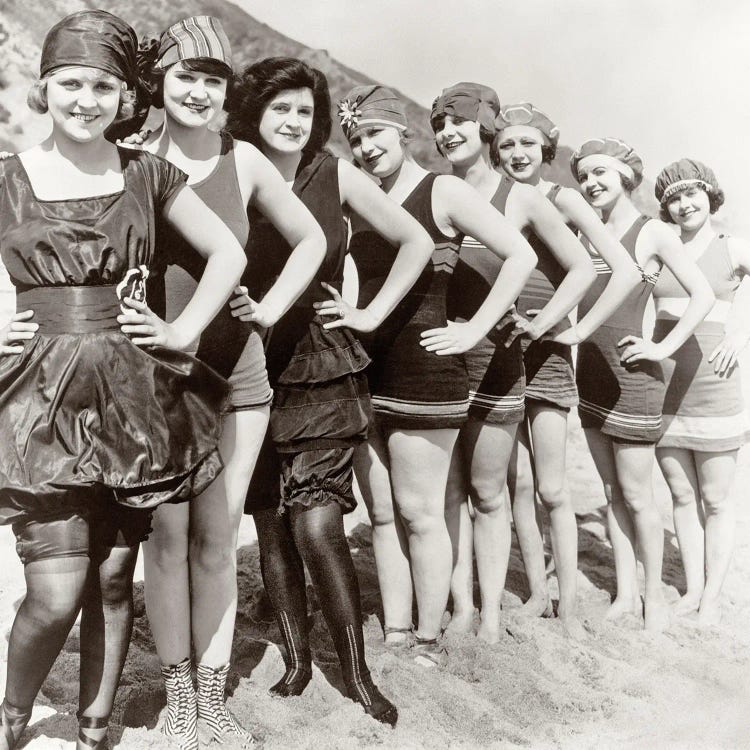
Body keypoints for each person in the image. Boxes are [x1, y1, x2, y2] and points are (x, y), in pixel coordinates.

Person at [0, 10, 249, 749]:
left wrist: (182, 331)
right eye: (70, 83)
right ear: (44, 88)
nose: (86, 100)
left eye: (102, 86)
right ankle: (12, 719)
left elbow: (229, 252)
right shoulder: (8, 178)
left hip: (132, 400)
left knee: (113, 578)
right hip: (38, 400)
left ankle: (96, 728)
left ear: (122, 94)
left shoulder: (148, 171)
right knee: (52, 590)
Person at [130, 19, 326, 749]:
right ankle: (179, 696)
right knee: (167, 538)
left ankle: (213, 701)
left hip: (237, 375)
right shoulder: (131, 157)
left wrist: (270, 309)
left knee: (217, 540)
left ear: (225, 89)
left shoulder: (242, 160)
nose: (198, 90)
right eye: (185, 75)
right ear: (160, 82)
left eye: (212, 79)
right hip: (154, 380)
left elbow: (310, 239)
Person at [226, 59, 433, 724]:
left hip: (319, 364)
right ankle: (295, 660)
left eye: (305, 113)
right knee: (270, 524)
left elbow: (415, 241)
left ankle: (357, 674)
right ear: (254, 112)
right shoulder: (231, 169)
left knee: (317, 524)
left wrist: (368, 315)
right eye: (280, 109)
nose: (292, 123)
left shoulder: (333, 173)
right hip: (245, 362)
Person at [336, 84, 537, 659]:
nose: (366, 147)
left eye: (376, 133)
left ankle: (427, 637)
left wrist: (474, 331)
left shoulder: (441, 190)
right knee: (380, 513)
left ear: (403, 134)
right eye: (356, 139)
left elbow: (519, 257)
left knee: (422, 511)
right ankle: (397, 631)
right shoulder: (359, 200)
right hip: (367, 369)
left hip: (426, 371)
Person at [429, 85, 595, 640]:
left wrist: (542, 324)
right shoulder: (436, 191)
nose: (449, 133)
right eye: (440, 124)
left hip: (498, 359)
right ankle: (462, 608)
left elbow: (582, 268)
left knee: (491, 491)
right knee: (448, 492)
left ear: (486, 131)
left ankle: (494, 617)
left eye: (460, 122)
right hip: (439, 363)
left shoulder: (520, 198)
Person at [491, 102, 642, 628]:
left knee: (552, 487)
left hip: (549, 355)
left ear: (546, 151)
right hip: (499, 352)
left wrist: (573, 329)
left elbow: (624, 269)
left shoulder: (564, 198)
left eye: (527, 144)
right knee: (514, 486)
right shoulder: (490, 200)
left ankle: (571, 605)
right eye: (507, 144)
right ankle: (536, 592)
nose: (516, 153)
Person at [571, 138, 714, 631]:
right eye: (584, 175)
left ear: (626, 176)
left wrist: (661, 347)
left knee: (637, 495)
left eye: (601, 173)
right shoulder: (584, 230)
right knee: (610, 490)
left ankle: (653, 596)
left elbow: (703, 294)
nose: (591, 183)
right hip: (586, 372)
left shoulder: (651, 231)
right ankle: (626, 593)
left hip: (633, 378)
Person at [653, 159, 750, 625]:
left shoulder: (733, 249)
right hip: (665, 388)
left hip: (715, 387)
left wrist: (740, 334)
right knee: (681, 496)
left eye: (692, 194)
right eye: (673, 197)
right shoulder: (658, 247)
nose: (683, 204)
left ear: (710, 196)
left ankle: (712, 598)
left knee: (716, 500)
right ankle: (692, 590)